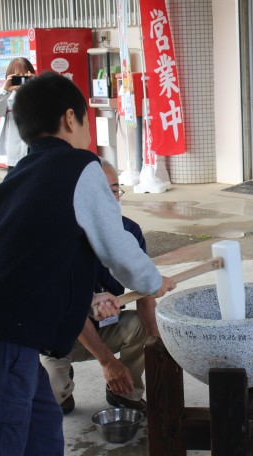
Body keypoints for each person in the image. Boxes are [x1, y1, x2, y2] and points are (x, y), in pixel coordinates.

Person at [0, 71, 176, 455]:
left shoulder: (15, 182)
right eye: (86, 120)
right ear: (70, 118)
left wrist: (83, 301)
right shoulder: (79, 167)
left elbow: (1, 261)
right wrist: (153, 281)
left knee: (42, 429)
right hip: (4, 334)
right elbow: (115, 244)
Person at [41, 159, 159, 415]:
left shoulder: (129, 230)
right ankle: (61, 382)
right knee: (55, 403)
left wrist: (154, 340)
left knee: (140, 326)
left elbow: (146, 286)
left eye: (115, 190)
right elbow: (70, 309)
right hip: (62, 335)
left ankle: (125, 393)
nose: (111, 198)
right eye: (101, 191)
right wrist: (108, 362)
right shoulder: (65, 237)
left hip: (108, 326)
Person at [0, 57, 36, 170]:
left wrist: (36, 86)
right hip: (16, 152)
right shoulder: (6, 95)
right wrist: (6, 90)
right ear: (9, 77)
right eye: (17, 76)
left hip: (37, 148)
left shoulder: (39, 92)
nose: (21, 80)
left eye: (25, 76)